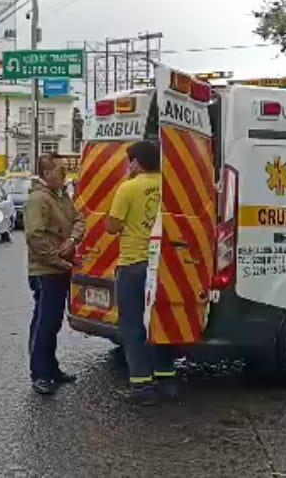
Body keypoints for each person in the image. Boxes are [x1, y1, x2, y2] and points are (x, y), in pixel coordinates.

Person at [106, 140, 177, 406]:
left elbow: (112, 227)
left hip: (133, 264)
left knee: (133, 326)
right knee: (163, 322)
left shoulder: (129, 188)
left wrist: (127, 181)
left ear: (136, 162)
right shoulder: (171, 186)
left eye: (130, 161)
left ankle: (142, 384)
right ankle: (167, 379)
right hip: (164, 265)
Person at [25, 154, 86, 395]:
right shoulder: (38, 199)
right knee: (45, 323)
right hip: (46, 269)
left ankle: (51, 369)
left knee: (52, 321)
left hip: (59, 267)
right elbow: (35, 237)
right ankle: (40, 373)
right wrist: (57, 258)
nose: (65, 175)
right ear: (47, 173)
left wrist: (72, 240)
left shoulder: (61, 196)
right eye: (60, 171)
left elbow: (80, 220)